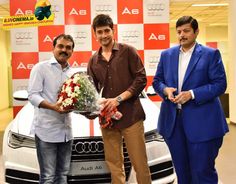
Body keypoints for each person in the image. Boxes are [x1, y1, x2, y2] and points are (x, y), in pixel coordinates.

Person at [152, 16, 229, 184]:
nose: (182, 35)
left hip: (203, 123)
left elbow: (220, 84)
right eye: (179, 32)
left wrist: (192, 94)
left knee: (202, 172)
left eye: (186, 31)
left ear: (196, 32)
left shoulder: (210, 54)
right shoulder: (167, 55)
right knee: (182, 172)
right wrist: (165, 90)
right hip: (173, 123)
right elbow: (157, 81)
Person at [87, 14, 151, 184]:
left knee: (140, 164)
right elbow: (91, 91)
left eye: (106, 30)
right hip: (108, 119)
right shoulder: (93, 60)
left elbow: (141, 79)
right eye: (99, 32)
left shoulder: (128, 51)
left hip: (131, 116)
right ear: (94, 34)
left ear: (113, 30)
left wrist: (118, 99)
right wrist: (90, 106)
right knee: (114, 165)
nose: (103, 35)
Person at [28, 34, 75, 184]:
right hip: (46, 131)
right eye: (60, 46)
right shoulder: (40, 68)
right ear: (53, 48)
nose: (64, 50)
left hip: (66, 132)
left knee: (62, 175)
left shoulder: (72, 73)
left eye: (68, 47)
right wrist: (53, 107)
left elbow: (74, 100)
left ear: (72, 51)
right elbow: (33, 95)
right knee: (48, 177)